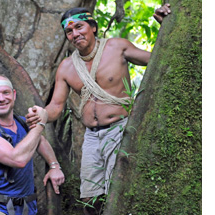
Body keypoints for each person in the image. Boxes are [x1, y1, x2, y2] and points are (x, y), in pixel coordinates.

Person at [26, 4, 171, 215]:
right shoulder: (67, 66)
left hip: (120, 129)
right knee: (89, 198)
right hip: (91, 138)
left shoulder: (117, 47)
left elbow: (156, 60)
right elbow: (56, 106)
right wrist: (43, 114)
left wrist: (164, 28)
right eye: (69, 31)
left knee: (118, 190)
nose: (75, 34)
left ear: (92, 27)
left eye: (79, 27)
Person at [0, 74, 65, 215]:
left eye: (6, 93)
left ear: (14, 95)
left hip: (27, 208)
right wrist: (40, 123)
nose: (1, 99)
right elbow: (17, 159)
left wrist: (54, 166)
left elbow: (41, 141)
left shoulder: (22, 123)